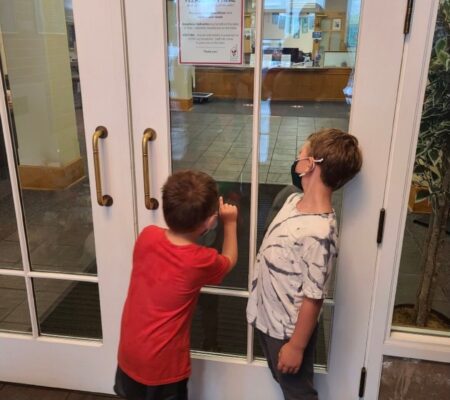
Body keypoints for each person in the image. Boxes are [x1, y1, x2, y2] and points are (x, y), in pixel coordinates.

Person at [247, 128, 362, 400]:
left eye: (302, 153)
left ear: (311, 164)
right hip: (267, 315)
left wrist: (297, 346)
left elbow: (314, 296)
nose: (296, 158)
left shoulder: (320, 233)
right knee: (279, 375)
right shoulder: (291, 199)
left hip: (288, 329)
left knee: (297, 391)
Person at [114, 170, 238, 400]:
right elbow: (229, 260)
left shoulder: (147, 236)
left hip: (129, 353)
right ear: (211, 221)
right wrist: (230, 223)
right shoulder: (200, 260)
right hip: (164, 367)